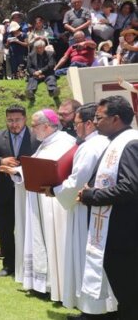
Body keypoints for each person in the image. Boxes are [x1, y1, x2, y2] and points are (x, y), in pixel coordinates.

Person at [42, 103, 116, 316]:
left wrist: (55, 191)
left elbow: (77, 182)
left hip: (87, 209)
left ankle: (92, 309)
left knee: (88, 258)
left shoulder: (90, 147)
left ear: (89, 124)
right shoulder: (105, 142)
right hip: (102, 208)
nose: (74, 128)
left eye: (77, 124)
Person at [0, 109, 76, 302]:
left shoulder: (64, 142)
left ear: (47, 126)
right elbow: (34, 167)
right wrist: (16, 171)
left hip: (53, 204)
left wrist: (20, 171)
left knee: (51, 241)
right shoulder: (46, 143)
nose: (32, 130)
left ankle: (52, 283)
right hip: (39, 201)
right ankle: (41, 283)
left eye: (34, 126)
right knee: (39, 240)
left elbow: (50, 170)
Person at [79, 96, 138, 320]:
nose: (94, 121)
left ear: (115, 119)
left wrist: (91, 195)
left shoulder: (130, 143)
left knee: (130, 292)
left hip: (126, 234)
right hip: (117, 231)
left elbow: (131, 187)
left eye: (99, 117)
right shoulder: (117, 140)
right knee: (126, 293)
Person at [0, 105, 40, 278]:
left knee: (30, 228)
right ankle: (9, 264)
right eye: (10, 120)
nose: (13, 124)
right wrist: (1, 160)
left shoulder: (36, 138)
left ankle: (31, 264)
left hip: (29, 191)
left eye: (17, 120)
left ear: (25, 119)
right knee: (5, 230)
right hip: (3, 192)